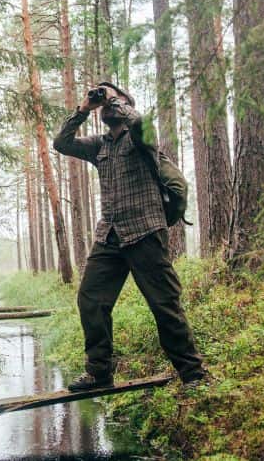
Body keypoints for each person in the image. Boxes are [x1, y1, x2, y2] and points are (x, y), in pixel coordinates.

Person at [52, 81, 206, 391]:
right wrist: (84, 109)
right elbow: (61, 143)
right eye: (103, 97)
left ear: (125, 103)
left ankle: (193, 375)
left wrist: (114, 100)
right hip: (109, 236)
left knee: (164, 305)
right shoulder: (100, 146)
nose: (105, 102)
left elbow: (139, 122)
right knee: (90, 299)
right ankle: (99, 372)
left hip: (145, 233)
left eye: (112, 97)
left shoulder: (141, 138)